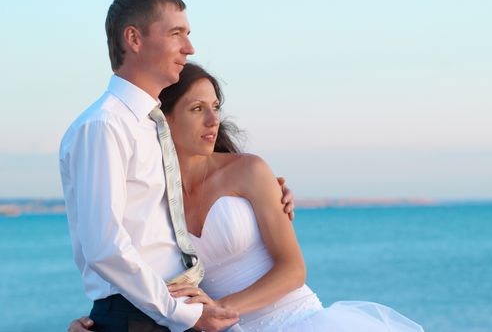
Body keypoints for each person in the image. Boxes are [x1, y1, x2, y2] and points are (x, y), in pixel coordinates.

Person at [70, 63, 425, 332]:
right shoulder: (151, 194)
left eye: (215, 106)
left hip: (296, 320)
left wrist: (218, 310)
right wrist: (97, 321)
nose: (213, 120)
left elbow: (293, 270)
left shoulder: (249, 171)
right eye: (197, 109)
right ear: (164, 120)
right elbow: (121, 257)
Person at [60, 0, 294, 332]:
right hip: (142, 315)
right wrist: (187, 315)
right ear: (134, 39)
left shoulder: (150, 126)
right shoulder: (104, 125)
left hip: (164, 314)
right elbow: (104, 246)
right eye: (176, 34)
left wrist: (269, 194)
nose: (190, 47)